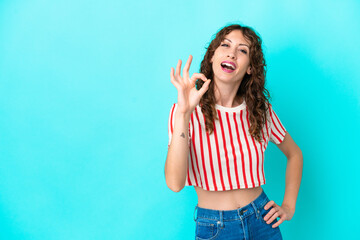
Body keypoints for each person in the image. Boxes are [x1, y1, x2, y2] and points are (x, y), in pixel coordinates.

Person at [165, 23, 303, 240]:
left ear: (250, 67)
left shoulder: (260, 110)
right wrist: (183, 113)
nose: (232, 52)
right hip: (214, 227)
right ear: (212, 57)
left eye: (243, 50)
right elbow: (175, 183)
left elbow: (295, 154)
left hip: (262, 220)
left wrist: (288, 206)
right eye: (225, 45)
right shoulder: (185, 111)